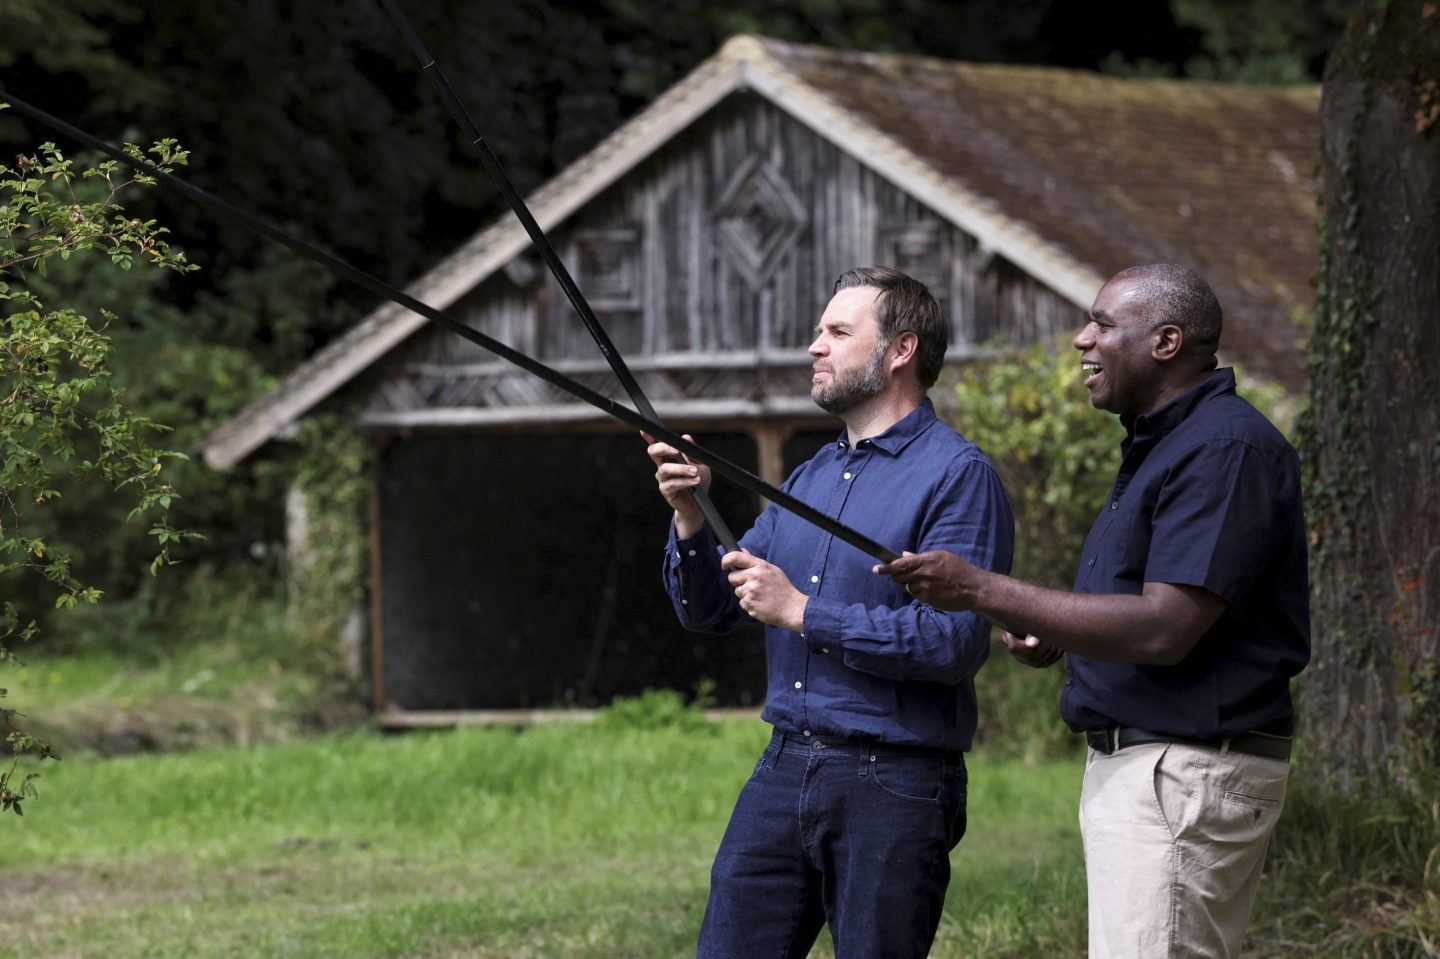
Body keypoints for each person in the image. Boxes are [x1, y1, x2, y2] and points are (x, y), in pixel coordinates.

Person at [877, 263, 1309, 959]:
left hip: (1180, 773)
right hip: (1152, 771)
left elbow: (1166, 628)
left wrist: (982, 589)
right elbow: (1150, 611)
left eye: (1103, 324)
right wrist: (1055, 630)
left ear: (1166, 342)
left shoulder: (1223, 447)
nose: (1082, 339)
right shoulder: (1162, 442)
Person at [643, 266, 1014, 959]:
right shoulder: (809, 477)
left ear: (900, 350)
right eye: (820, 331)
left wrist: (806, 613)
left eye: (838, 332)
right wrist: (692, 513)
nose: (815, 346)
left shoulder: (959, 475)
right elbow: (712, 608)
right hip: (784, 765)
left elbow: (955, 642)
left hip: (896, 780)